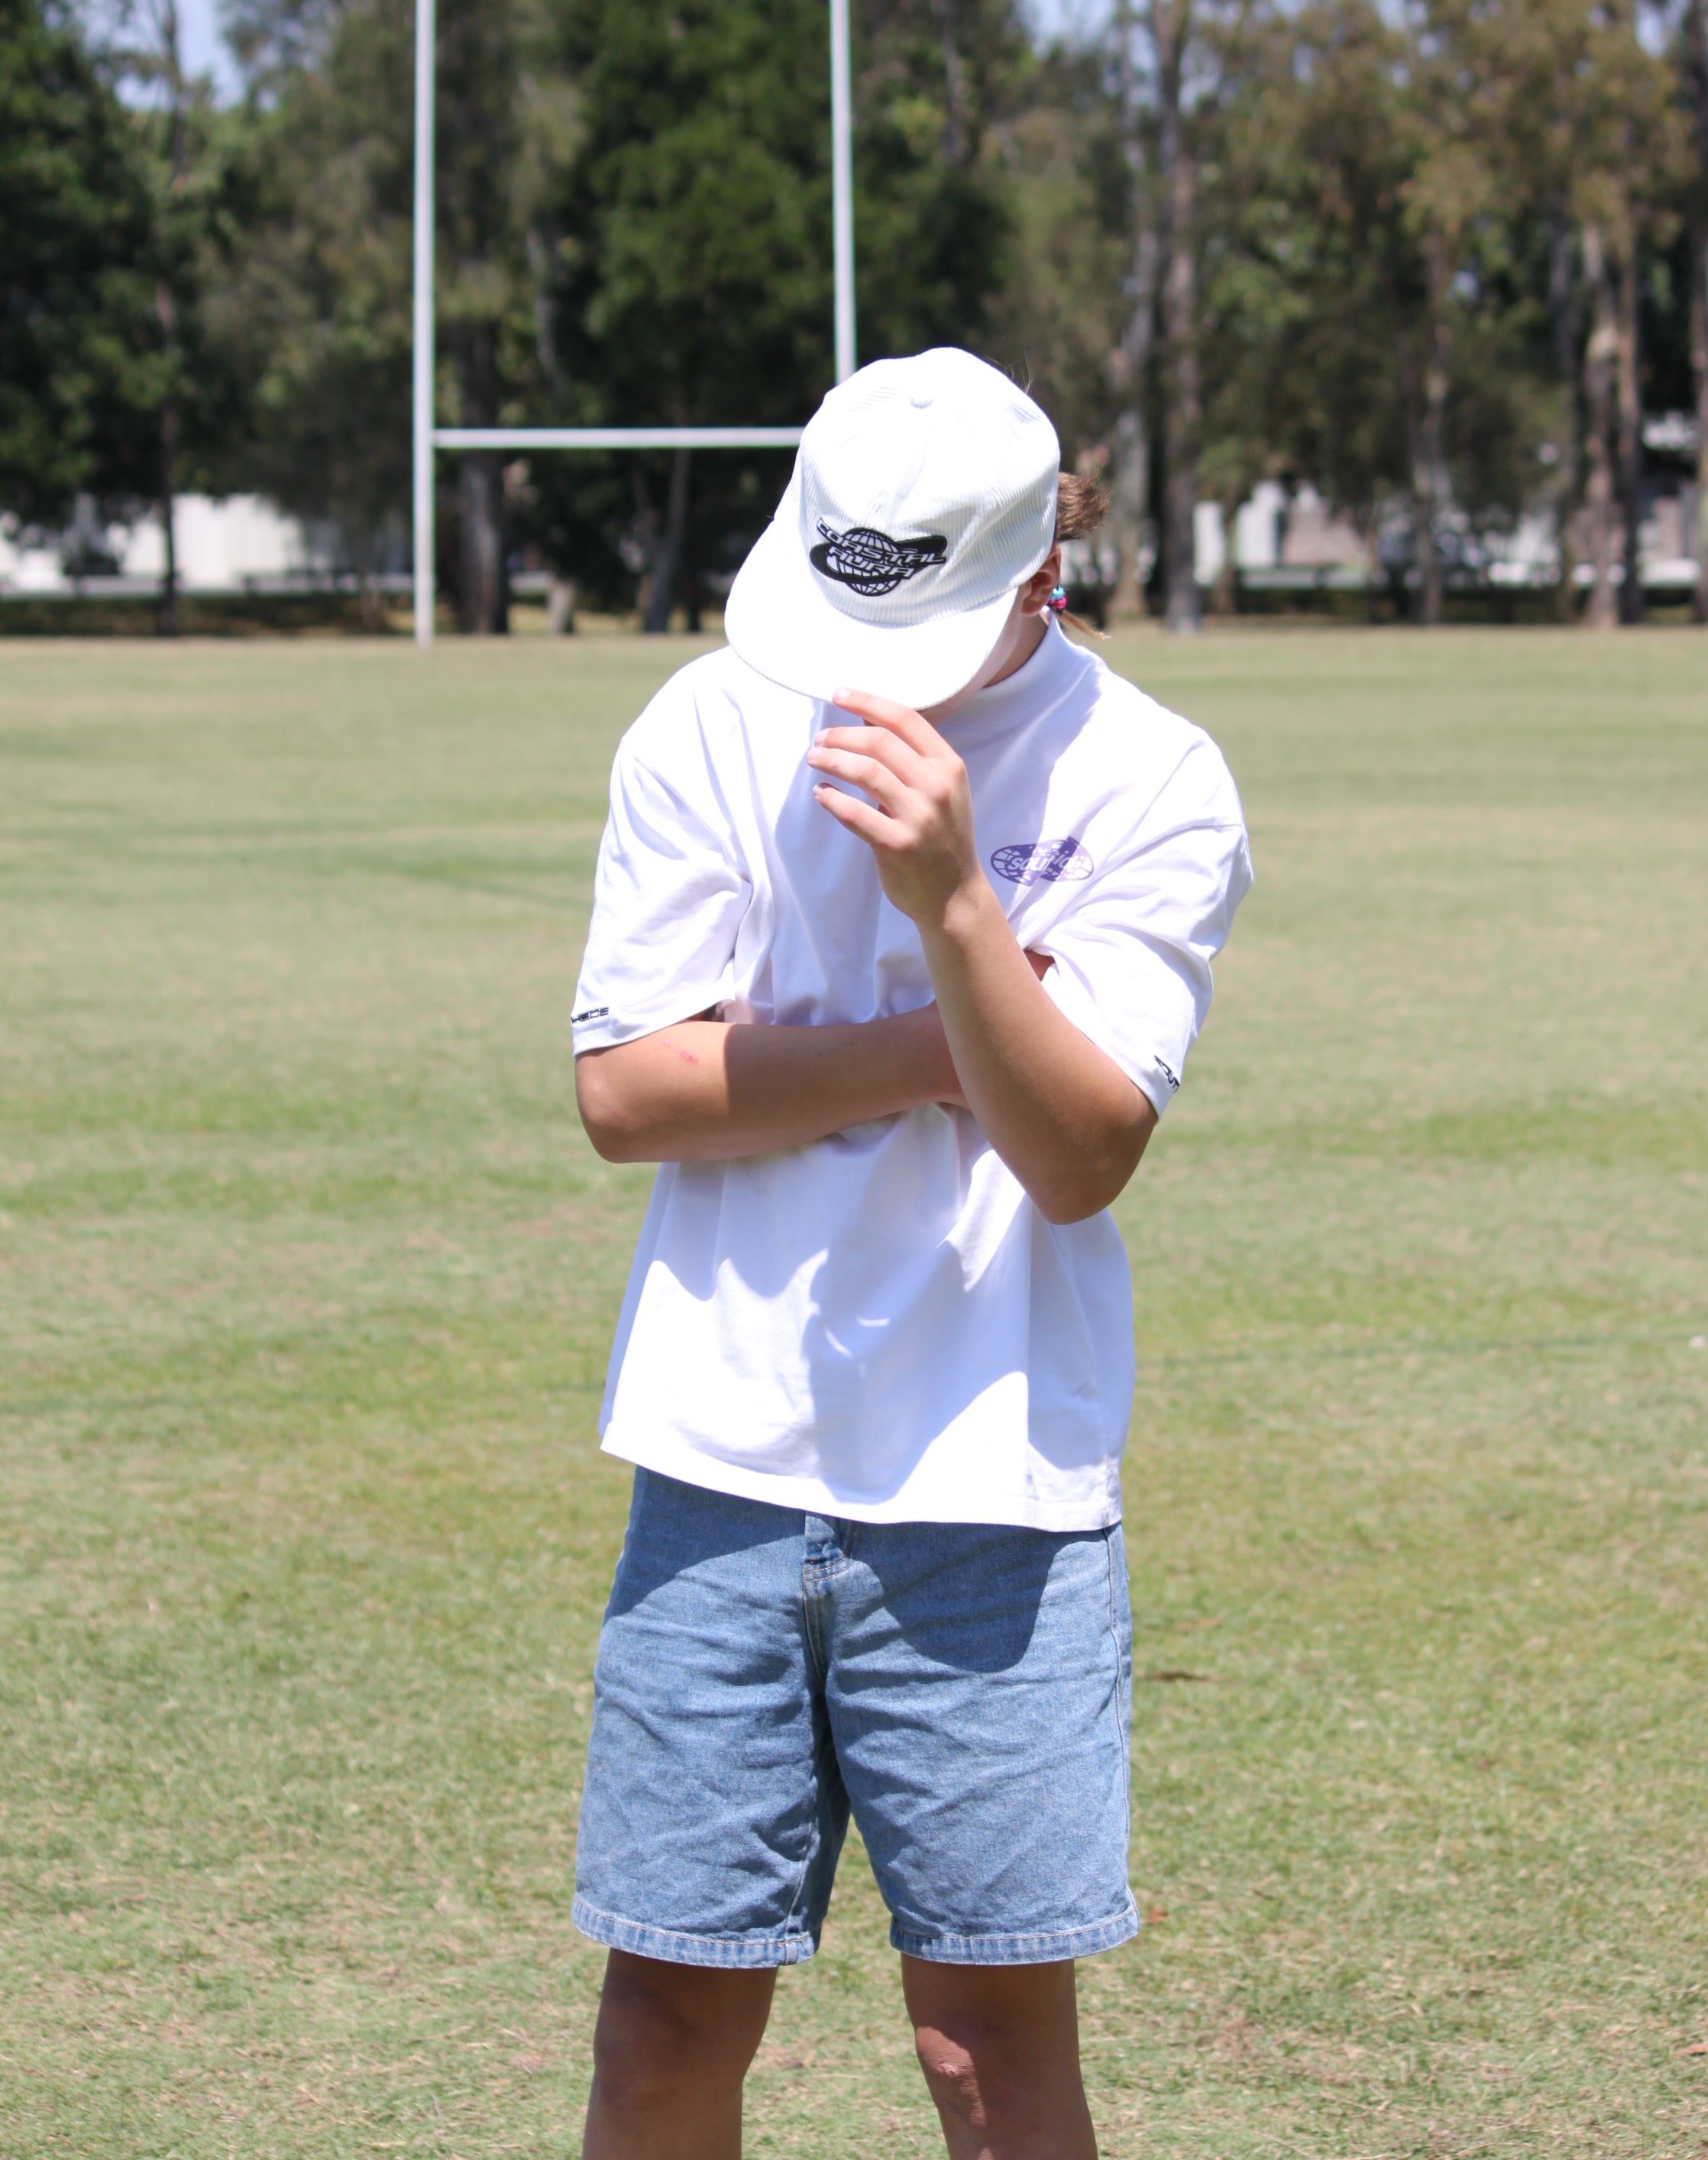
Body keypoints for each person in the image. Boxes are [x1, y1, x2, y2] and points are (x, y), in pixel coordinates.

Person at [568, 348, 1251, 2159]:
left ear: (1041, 570)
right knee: (660, 2027)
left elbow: (1083, 1151)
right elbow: (631, 1089)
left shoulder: (1151, 776)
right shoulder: (707, 725)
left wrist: (956, 902)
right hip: (716, 1467)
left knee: (984, 2055)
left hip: (992, 1490)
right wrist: (951, 1041)